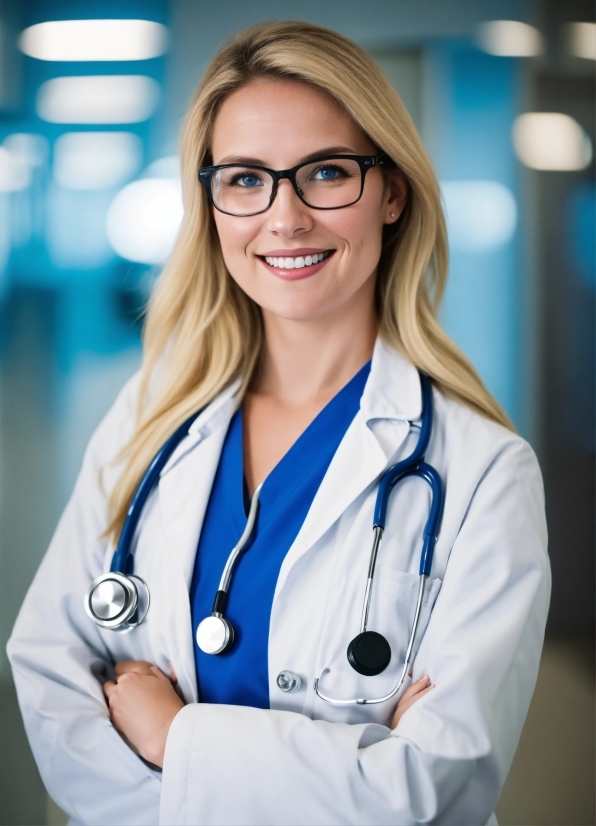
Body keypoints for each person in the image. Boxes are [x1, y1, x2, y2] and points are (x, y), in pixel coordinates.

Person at [7, 21, 549, 826]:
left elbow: (436, 789)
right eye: (246, 179)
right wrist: (350, 771)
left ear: (392, 192)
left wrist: (175, 739)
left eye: (327, 173)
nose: (285, 218)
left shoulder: (482, 471)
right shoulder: (150, 418)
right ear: (212, 201)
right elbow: (53, 686)